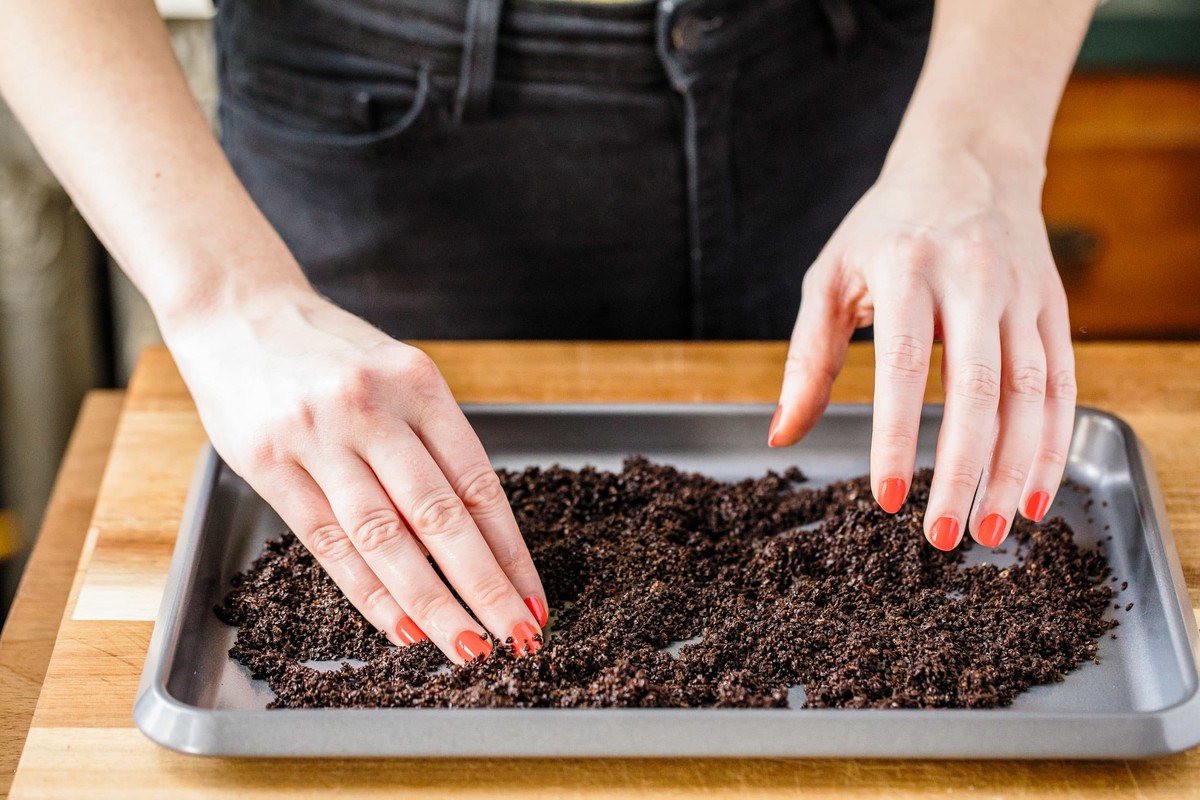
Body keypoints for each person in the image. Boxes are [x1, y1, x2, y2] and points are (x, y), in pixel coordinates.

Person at [0, 0, 1093, 666]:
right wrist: (226, 298)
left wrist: (977, 147)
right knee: (381, 510)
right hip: (372, 101)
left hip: (844, 89)